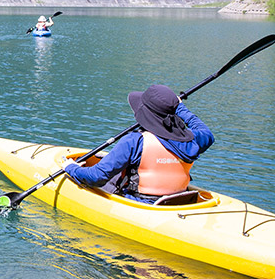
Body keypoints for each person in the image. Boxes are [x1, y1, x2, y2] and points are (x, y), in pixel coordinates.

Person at [62, 84, 214, 204]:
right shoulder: (193, 139)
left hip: (141, 203)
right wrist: (179, 107)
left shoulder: (135, 141)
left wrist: (71, 168)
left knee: (84, 177)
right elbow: (206, 132)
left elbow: (96, 177)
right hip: (179, 199)